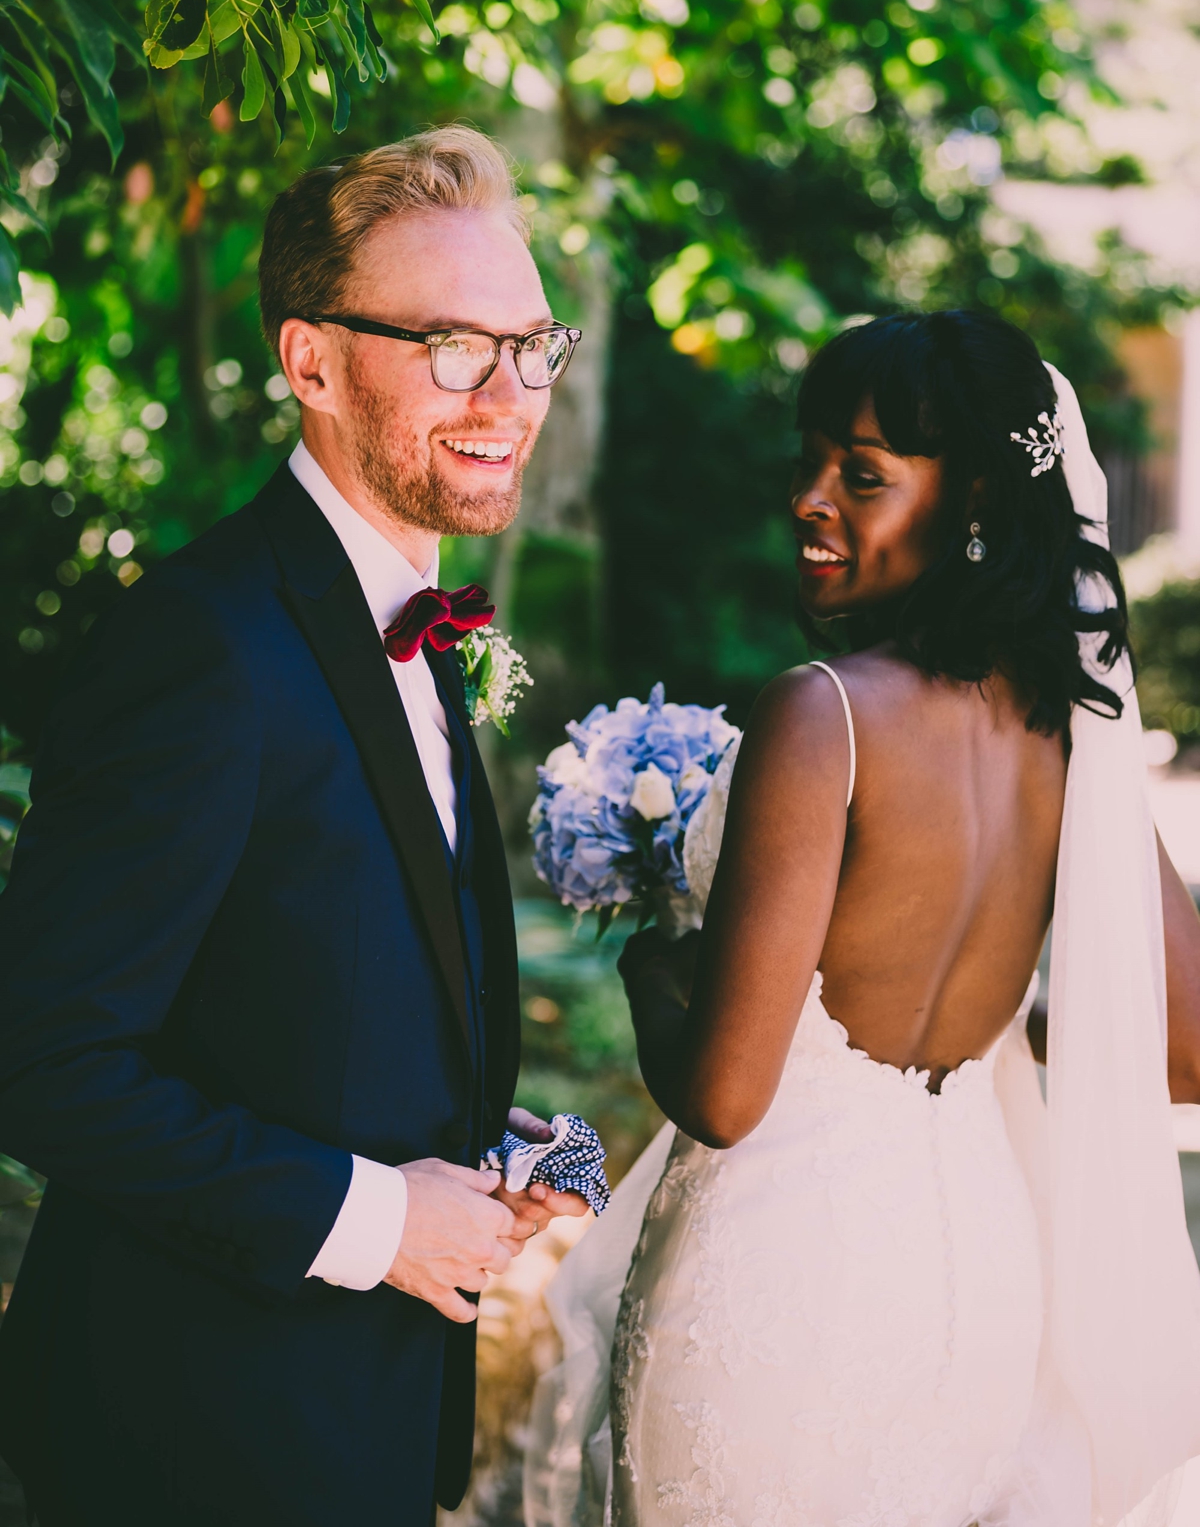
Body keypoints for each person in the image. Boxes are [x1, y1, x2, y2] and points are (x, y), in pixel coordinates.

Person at [0, 126, 588, 1527]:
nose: (508, 391)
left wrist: (476, 1135)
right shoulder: (202, 645)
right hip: (193, 1436)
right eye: (451, 345)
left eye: (530, 344)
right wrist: (379, 1218)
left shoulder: (408, 620)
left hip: (361, 1423)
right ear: (312, 363)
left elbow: (295, 976)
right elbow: (42, 1056)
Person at [528, 311, 1200, 1527]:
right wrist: (998, 1021)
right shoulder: (1071, 733)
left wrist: (654, 973)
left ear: (978, 497)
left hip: (784, 1285)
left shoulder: (821, 714)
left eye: (865, 474)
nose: (810, 498)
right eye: (809, 460)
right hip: (981, 1282)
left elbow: (727, 1096)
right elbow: (1191, 1046)